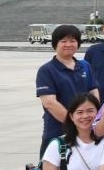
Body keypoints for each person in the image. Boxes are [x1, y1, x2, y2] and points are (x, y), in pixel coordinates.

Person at [36, 24, 98, 160]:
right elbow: (50, 103)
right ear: (55, 44)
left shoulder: (85, 66)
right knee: (53, 169)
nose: (68, 44)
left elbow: (94, 92)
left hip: (85, 130)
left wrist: (92, 118)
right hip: (57, 130)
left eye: (72, 41)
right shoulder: (46, 70)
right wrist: (75, 124)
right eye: (63, 41)